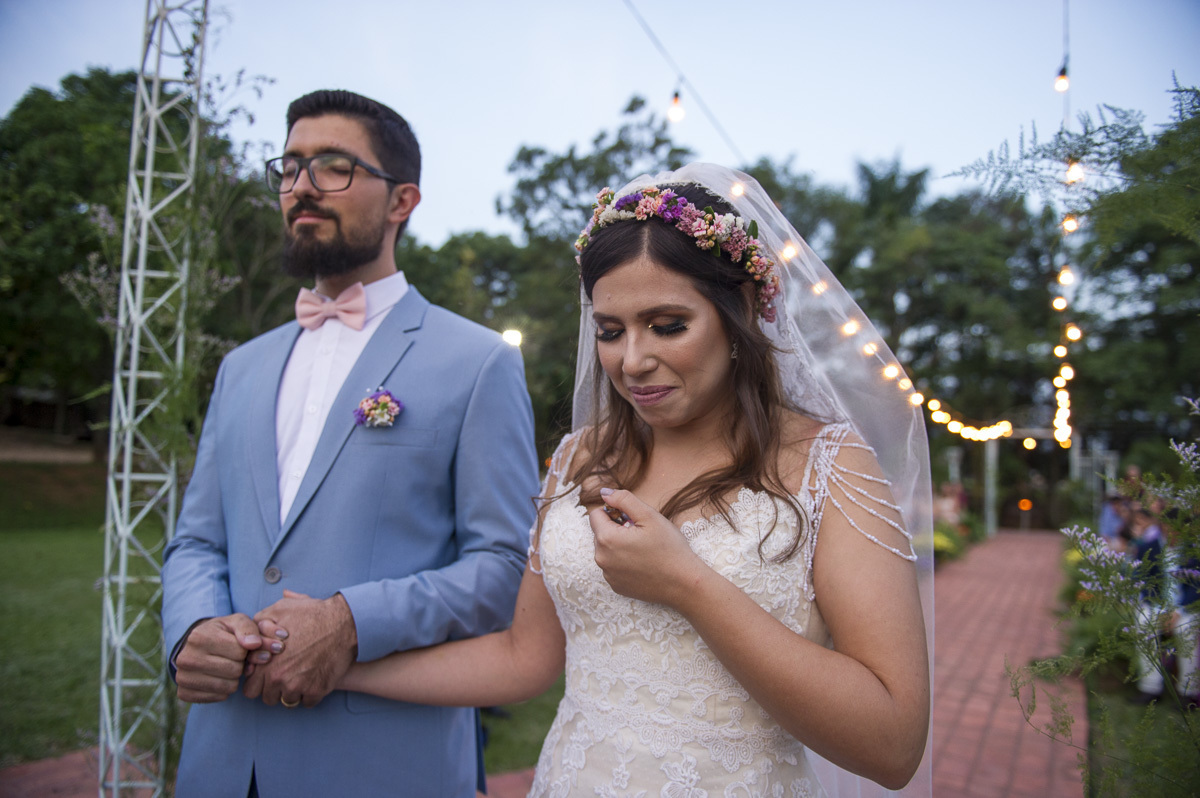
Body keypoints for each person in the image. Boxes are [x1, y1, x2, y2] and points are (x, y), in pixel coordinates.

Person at [320, 164, 934, 795]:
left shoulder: (830, 467)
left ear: (742, 311)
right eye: (610, 331)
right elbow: (522, 658)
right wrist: (340, 669)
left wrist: (687, 584)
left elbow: (893, 746)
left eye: (668, 325)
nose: (632, 361)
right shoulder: (579, 458)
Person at [161, 89, 539, 798]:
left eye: (334, 166)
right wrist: (192, 630)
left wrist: (349, 622)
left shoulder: (479, 362)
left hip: (385, 763)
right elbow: (198, 543)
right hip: (222, 760)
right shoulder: (241, 367)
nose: (301, 185)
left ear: (402, 201)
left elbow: (505, 567)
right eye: (291, 166)